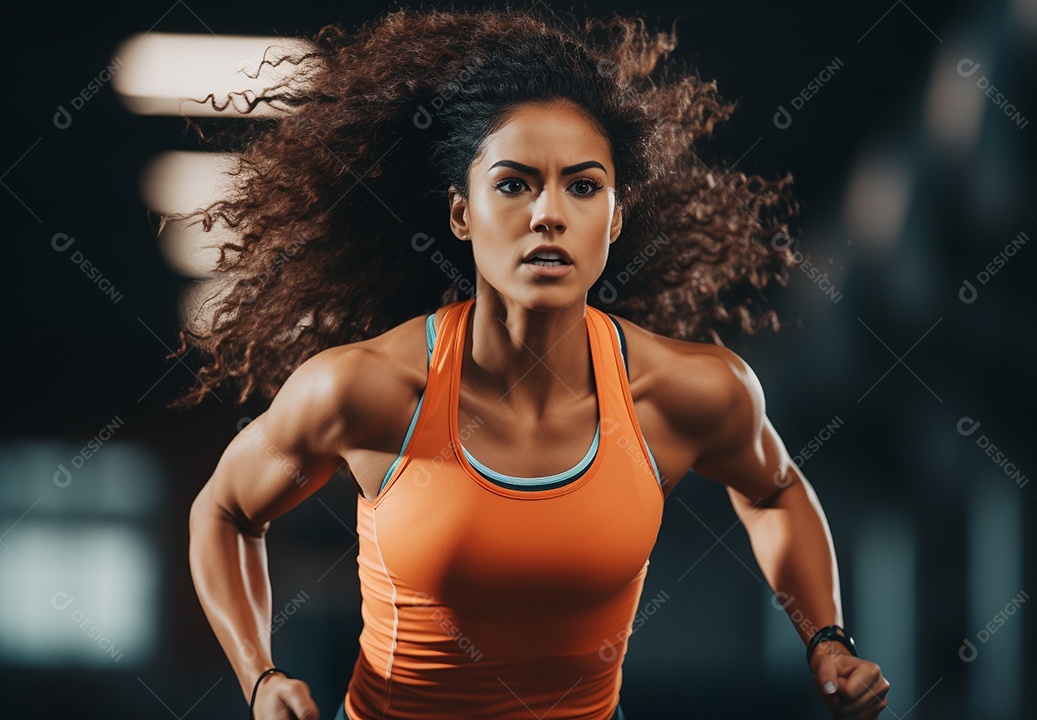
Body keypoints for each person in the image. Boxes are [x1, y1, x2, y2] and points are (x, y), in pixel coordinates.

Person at [175, 5, 890, 719]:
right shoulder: (364, 390)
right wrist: (260, 677)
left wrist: (824, 636)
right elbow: (227, 510)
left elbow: (774, 492)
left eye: (583, 186)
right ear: (461, 214)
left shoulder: (688, 392)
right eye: (514, 184)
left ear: (614, 218)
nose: (549, 214)